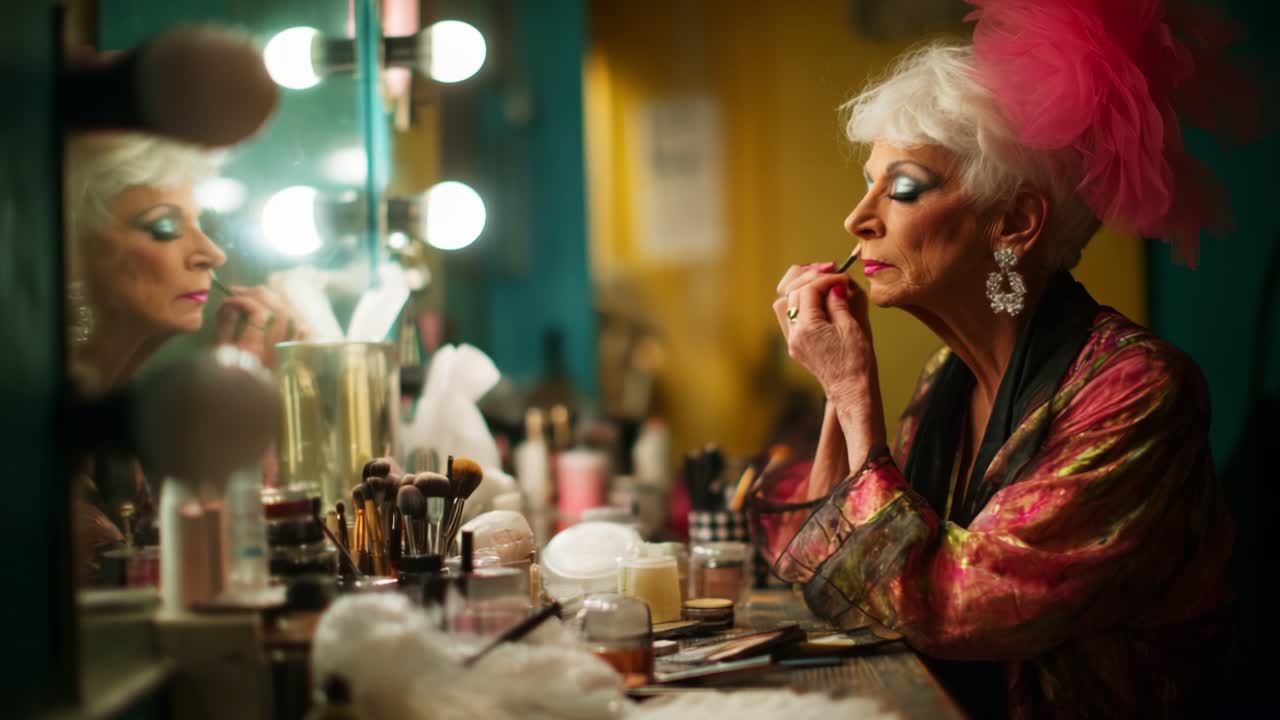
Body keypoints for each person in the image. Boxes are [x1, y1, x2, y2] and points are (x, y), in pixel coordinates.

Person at [750, 4, 1255, 718]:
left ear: (1015, 222)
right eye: (868, 184)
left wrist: (856, 392)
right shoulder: (946, 379)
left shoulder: (1136, 392)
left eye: (901, 189)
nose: (857, 219)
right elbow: (837, 577)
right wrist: (836, 388)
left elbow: (953, 606)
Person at [64, 131, 306, 583]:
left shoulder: (122, 438)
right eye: (164, 228)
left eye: (201, 226)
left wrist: (237, 380)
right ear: (70, 249)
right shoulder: (40, 437)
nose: (210, 254)